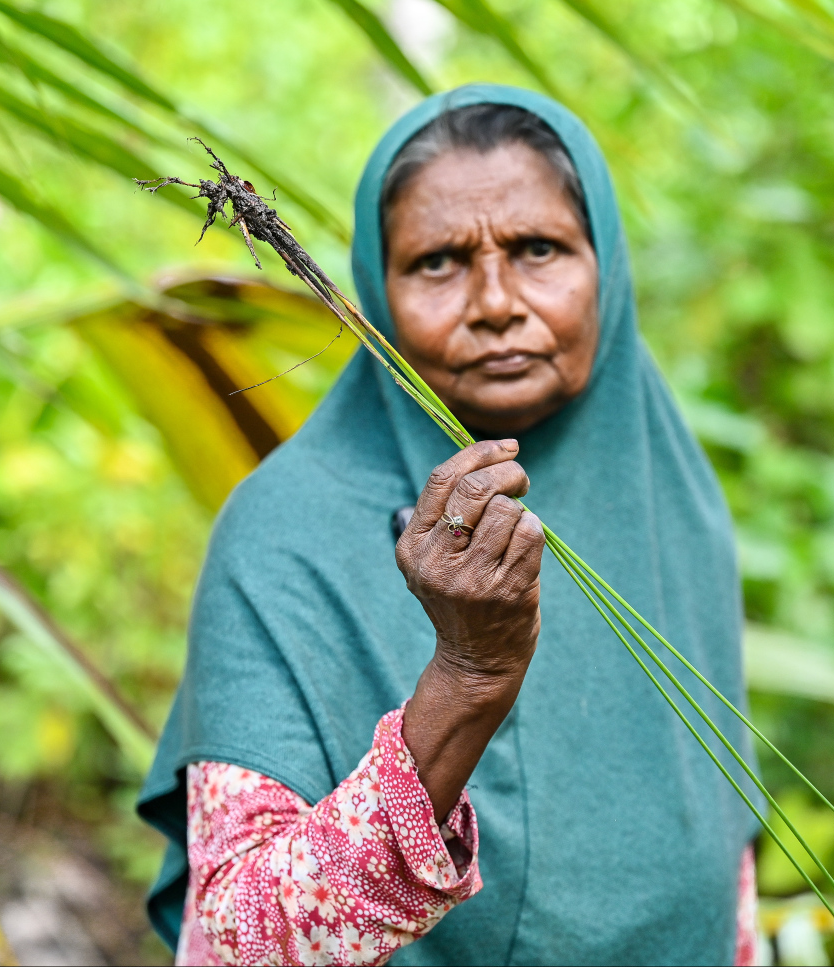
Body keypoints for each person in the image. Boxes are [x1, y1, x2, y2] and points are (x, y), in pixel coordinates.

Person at [138, 85, 761, 967]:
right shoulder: (288, 527)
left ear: (606, 265)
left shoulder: (667, 492)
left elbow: (724, 870)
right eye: (438, 263)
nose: (495, 300)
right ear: (378, 292)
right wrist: (466, 678)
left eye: (539, 249)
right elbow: (246, 943)